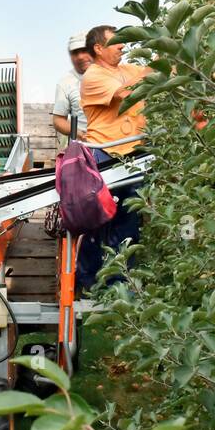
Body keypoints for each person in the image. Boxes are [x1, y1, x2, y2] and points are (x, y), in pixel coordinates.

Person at [59, 24, 152, 292]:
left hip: (133, 155)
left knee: (128, 221)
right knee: (100, 221)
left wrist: (161, 53)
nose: (123, 46)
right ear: (98, 49)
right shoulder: (94, 76)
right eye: (117, 42)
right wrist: (146, 74)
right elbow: (126, 93)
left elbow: (153, 74)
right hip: (107, 155)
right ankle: (90, 281)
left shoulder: (126, 70)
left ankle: (119, 284)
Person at [50, 31, 92, 139]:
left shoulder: (110, 73)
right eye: (75, 52)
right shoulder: (65, 83)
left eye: (84, 50)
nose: (80, 56)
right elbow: (58, 120)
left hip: (117, 143)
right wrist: (80, 134)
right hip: (87, 147)